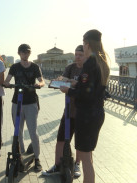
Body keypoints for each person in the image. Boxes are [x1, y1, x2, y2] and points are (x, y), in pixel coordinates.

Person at [63, 29, 110, 183]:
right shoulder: (103, 62)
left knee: (85, 159)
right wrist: (77, 83)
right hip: (97, 114)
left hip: (86, 116)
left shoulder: (90, 62)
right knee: (88, 155)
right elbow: (93, 88)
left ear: (87, 44)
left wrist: (68, 90)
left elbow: (85, 95)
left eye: (83, 44)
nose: (83, 47)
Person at [42, 45, 85, 177]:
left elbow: (88, 87)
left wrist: (73, 83)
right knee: (61, 138)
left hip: (83, 112)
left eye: (80, 55)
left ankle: (77, 165)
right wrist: (60, 82)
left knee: (80, 142)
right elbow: (63, 80)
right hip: (69, 111)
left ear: (86, 56)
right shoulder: (70, 68)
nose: (77, 57)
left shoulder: (88, 70)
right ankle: (57, 165)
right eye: (76, 54)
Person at [3, 44, 45, 172]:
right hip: (17, 102)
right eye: (23, 52)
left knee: (33, 132)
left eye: (27, 52)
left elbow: (42, 80)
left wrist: (39, 84)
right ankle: (19, 155)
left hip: (31, 102)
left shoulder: (35, 67)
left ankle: (37, 159)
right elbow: (7, 80)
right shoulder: (15, 67)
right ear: (19, 53)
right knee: (18, 131)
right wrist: (7, 84)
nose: (25, 54)